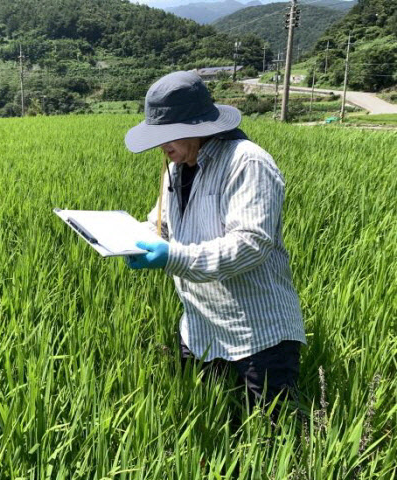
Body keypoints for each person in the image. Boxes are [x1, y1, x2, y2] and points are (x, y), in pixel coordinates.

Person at [124, 71, 306, 409]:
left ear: (198, 127)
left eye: (172, 135)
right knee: (209, 437)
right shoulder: (176, 168)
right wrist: (122, 236)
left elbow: (250, 244)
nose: (164, 145)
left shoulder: (247, 162)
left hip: (259, 336)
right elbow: (159, 226)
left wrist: (171, 257)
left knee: (270, 443)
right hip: (200, 332)